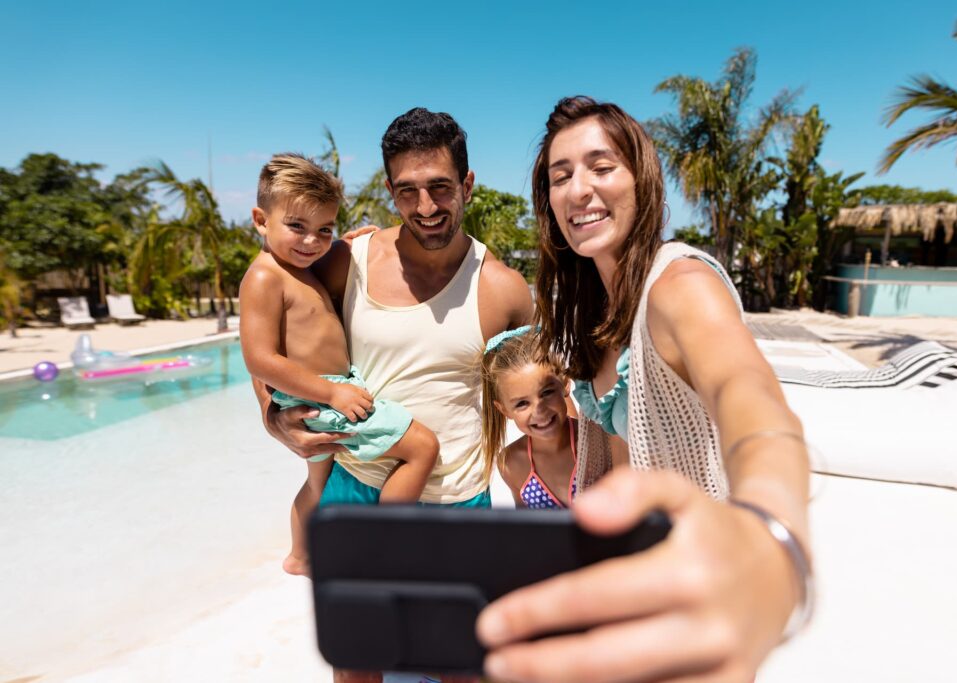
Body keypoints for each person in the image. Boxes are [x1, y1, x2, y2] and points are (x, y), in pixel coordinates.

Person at [475, 96, 812, 682]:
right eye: (562, 176)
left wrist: (772, 537)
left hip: (700, 594)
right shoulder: (586, 311)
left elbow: (752, 399)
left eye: (601, 167)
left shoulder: (679, 285)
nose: (579, 189)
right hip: (636, 598)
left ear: (642, 178)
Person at [252, 109, 533, 682]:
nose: (426, 207)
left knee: (461, 665)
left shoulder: (503, 289)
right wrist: (273, 417)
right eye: (408, 191)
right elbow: (278, 337)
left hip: (457, 502)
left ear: (468, 186)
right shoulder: (343, 260)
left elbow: (537, 395)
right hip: (357, 484)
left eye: (440, 188)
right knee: (358, 663)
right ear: (389, 191)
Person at [239, 153, 439, 577]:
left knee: (316, 484)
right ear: (261, 219)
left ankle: (299, 557)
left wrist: (352, 243)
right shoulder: (264, 277)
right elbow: (259, 358)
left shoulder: (300, 268)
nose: (311, 241)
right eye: (297, 227)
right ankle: (382, 543)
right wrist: (332, 392)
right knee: (423, 447)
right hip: (322, 395)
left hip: (326, 390)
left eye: (323, 230)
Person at [481, 326, 578, 509]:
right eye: (522, 404)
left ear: (565, 384)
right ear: (504, 410)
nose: (539, 410)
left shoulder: (599, 442)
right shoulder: (511, 463)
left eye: (547, 392)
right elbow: (527, 528)